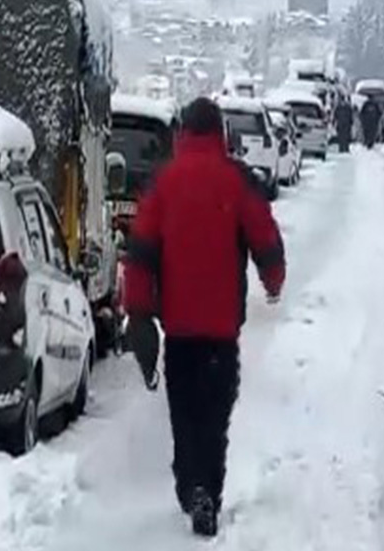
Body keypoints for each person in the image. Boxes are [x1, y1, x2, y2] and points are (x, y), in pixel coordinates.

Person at [123, 96, 286, 538]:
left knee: (185, 412)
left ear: (183, 134)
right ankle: (207, 491)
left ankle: (188, 481)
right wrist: (273, 279)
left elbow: (139, 253)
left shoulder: (164, 182)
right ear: (220, 134)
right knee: (215, 415)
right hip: (220, 330)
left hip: (178, 329)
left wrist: (137, 312)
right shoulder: (237, 179)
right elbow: (264, 234)